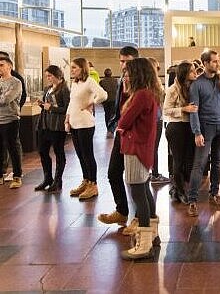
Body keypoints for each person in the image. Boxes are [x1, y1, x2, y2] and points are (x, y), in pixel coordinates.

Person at [116, 58, 162, 260]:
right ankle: (152, 234)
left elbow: (124, 121)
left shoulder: (141, 95)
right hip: (141, 147)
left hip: (135, 147)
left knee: (137, 192)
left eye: (128, 72)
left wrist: (121, 126)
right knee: (143, 189)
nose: (126, 76)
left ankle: (144, 243)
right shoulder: (148, 93)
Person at [187, 49, 220, 217]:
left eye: (217, 60)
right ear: (205, 63)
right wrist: (197, 132)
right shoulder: (197, 84)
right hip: (206, 128)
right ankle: (192, 200)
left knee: (218, 162)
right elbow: (194, 111)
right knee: (199, 165)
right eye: (214, 61)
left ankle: (214, 194)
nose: (217, 63)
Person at [98, 46, 138, 228]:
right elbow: (119, 107)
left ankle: (141, 218)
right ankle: (122, 211)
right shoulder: (122, 79)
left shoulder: (142, 81)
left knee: (137, 179)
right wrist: (114, 125)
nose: (123, 65)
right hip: (121, 132)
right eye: (121, 61)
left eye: (127, 61)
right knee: (113, 173)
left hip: (135, 135)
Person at [65, 57, 108, 200]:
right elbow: (72, 102)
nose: (71, 70)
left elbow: (103, 94)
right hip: (75, 122)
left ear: (82, 68)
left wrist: (92, 103)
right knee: (80, 154)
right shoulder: (75, 83)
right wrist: (67, 118)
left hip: (85, 123)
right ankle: (86, 180)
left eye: (74, 68)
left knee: (87, 154)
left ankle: (93, 184)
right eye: (71, 67)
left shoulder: (89, 81)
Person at [163, 61, 198, 204]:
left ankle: (178, 189)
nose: (195, 73)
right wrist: (183, 109)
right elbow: (166, 110)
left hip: (190, 127)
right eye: (192, 71)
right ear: (184, 74)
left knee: (189, 161)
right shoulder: (172, 89)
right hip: (176, 127)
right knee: (178, 161)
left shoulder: (193, 87)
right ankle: (180, 191)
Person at [35, 65, 70, 193]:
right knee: (42, 151)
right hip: (44, 124)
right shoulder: (47, 89)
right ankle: (47, 179)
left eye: (50, 75)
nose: (48, 78)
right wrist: (42, 105)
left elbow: (66, 108)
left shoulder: (64, 89)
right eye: (47, 76)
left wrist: (51, 108)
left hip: (57, 126)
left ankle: (57, 180)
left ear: (57, 75)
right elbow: (47, 106)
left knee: (58, 152)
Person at [0, 51, 26, 183]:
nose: (0, 68)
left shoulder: (16, 82)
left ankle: (17, 175)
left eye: (1, 65)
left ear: (9, 66)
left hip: (11, 119)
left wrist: (3, 97)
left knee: (13, 147)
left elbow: (6, 99)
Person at [147, 57, 169, 184]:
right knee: (153, 147)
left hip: (156, 117)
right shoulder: (153, 84)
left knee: (152, 147)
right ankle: (154, 174)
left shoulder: (151, 82)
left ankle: (152, 173)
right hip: (155, 119)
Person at [100, 68, 118, 138]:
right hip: (114, 100)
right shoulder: (115, 81)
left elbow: (101, 92)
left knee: (107, 114)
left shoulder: (102, 82)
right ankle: (112, 129)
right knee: (113, 115)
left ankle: (108, 128)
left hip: (106, 101)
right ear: (111, 74)